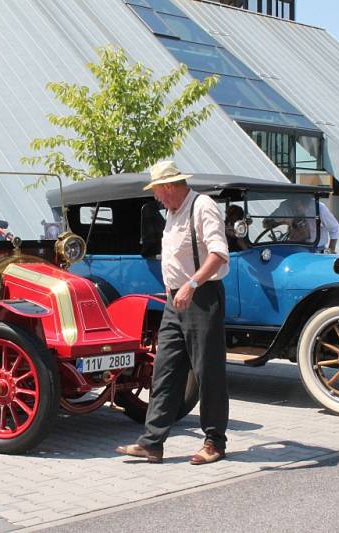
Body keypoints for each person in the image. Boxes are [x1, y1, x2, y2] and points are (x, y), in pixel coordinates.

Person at [116, 160, 230, 465]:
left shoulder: (202, 206)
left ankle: (215, 442)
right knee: (164, 371)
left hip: (201, 297)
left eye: (156, 191)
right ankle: (152, 443)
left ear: (168, 187)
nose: (156, 198)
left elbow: (219, 254)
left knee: (209, 373)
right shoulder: (172, 212)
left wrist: (191, 284)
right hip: (175, 301)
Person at [263, 195, 339, 253]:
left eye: (299, 205)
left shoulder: (319, 208)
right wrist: (283, 222)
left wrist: (331, 250)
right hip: (294, 249)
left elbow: (334, 228)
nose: (296, 208)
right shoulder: (285, 206)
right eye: (293, 204)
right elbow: (266, 223)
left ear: (306, 202)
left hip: (317, 250)